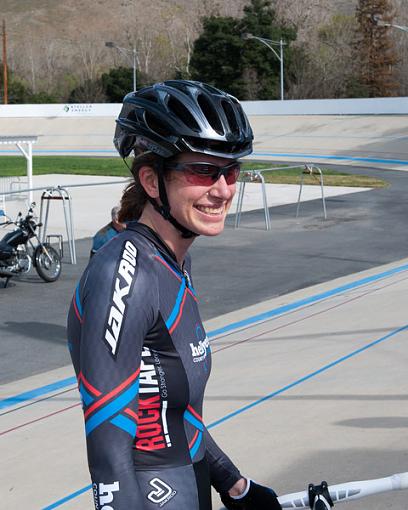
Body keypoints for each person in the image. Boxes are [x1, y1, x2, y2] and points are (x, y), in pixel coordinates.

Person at [67, 80, 282, 510]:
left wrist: (233, 484)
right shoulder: (125, 274)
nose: (222, 189)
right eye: (203, 170)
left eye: (230, 170)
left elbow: (174, 410)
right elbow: (108, 452)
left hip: (190, 479)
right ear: (151, 180)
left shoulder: (171, 260)